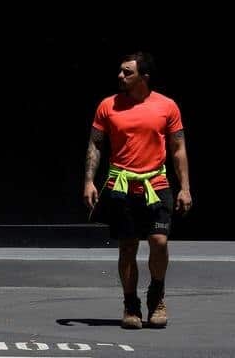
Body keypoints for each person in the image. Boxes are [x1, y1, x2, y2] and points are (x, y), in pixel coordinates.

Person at [83, 51, 192, 330]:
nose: (120, 76)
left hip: (156, 185)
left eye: (127, 72)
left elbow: (178, 149)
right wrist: (89, 181)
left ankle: (156, 296)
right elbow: (96, 144)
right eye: (120, 71)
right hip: (121, 185)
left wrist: (185, 188)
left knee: (159, 242)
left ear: (144, 77)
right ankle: (130, 304)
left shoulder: (167, 106)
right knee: (128, 246)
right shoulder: (108, 106)